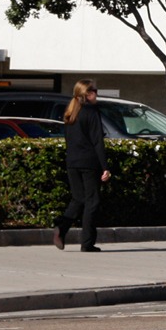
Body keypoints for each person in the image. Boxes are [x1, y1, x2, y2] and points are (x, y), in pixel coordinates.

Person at [53, 79, 110, 252]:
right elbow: (97, 142)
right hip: (89, 162)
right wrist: (105, 167)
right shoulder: (91, 113)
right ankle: (87, 243)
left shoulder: (71, 113)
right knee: (92, 201)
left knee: (78, 198)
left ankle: (61, 229)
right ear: (88, 94)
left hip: (72, 162)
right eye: (95, 91)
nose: (97, 95)